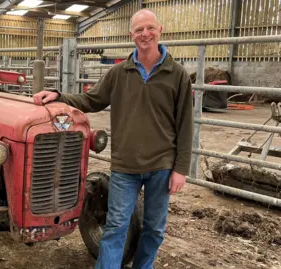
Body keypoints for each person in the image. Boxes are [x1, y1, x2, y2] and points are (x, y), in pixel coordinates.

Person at [33, 8, 193, 269]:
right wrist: (59, 95)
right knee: (116, 227)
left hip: (161, 166)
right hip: (125, 166)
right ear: (132, 34)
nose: (145, 34)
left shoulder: (177, 75)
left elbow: (186, 124)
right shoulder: (119, 73)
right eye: (139, 29)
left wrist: (180, 169)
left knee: (154, 229)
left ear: (160, 30)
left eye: (150, 28)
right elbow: (91, 100)